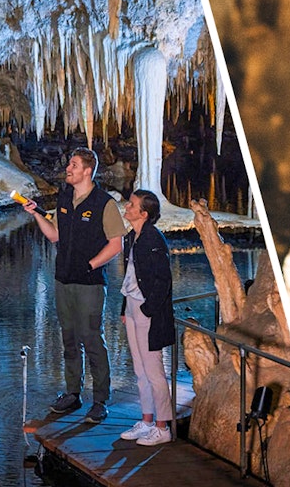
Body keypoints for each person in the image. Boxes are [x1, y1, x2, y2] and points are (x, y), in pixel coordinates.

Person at [23, 147, 125, 423]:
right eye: (70, 163)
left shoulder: (104, 203)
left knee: (92, 339)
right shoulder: (65, 197)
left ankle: (100, 400)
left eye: (74, 164)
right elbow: (55, 235)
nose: (68, 168)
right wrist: (36, 215)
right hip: (63, 279)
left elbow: (116, 243)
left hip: (90, 284)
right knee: (68, 339)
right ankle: (72, 393)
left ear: (87, 170)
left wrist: (91, 264)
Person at [117, 189, 177, 446]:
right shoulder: (133, 237)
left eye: (131, 205)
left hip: (147, 310)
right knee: (140, 370)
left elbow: (163, 280)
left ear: (144, 213)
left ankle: (163, 428)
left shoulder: (154, 240)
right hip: (132, 307)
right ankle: (147, 420)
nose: (126, 207)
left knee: (154, 371)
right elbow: (130, 275)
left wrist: (147, 309)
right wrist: (124, 309)